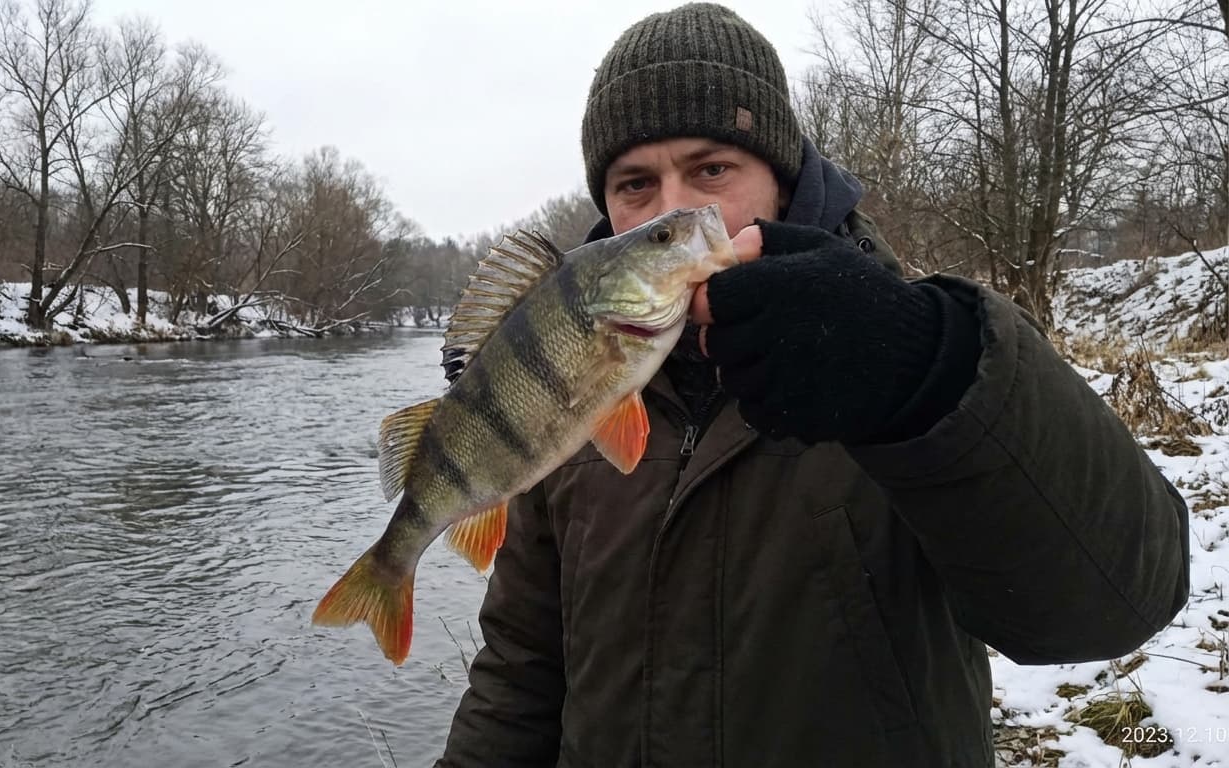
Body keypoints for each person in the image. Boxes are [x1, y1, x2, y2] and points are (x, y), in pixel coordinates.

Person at [434, 3, 1191, 766]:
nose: (675, 209)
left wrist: (921, 374)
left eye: (712, 169)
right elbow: (519, 674)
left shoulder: (914, 347)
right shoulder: (568, 394)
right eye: (636, 184)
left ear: (786, 183)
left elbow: (1111, 606)